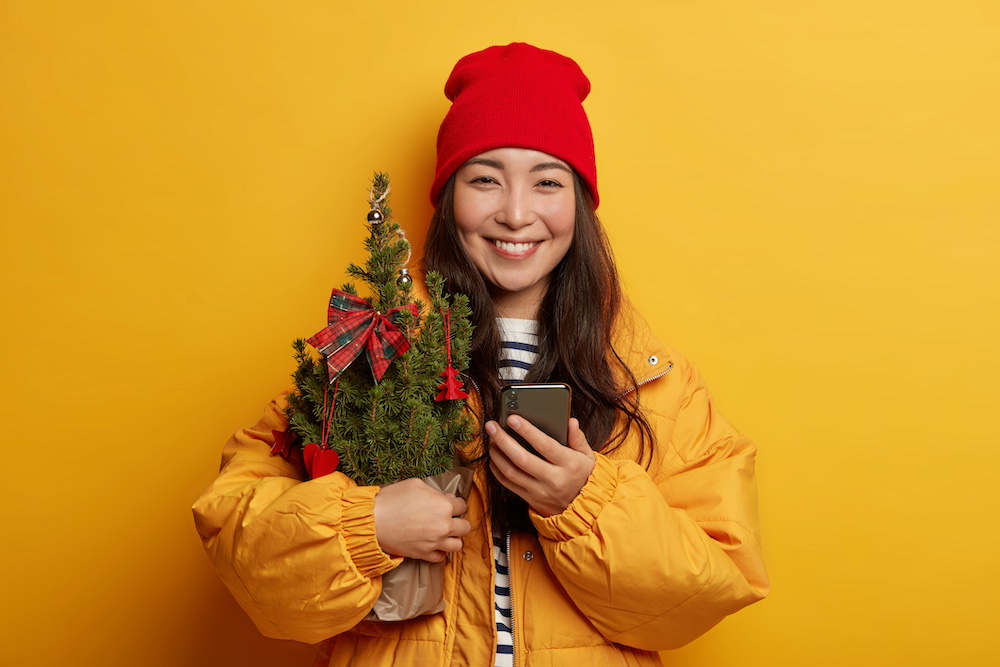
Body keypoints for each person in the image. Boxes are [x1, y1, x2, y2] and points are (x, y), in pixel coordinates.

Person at [193, 42, 769, 666]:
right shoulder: (367, 357)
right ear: (448, 197)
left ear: (579, 201)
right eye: (485, 179)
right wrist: (369, 525)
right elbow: (240, 545)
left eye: (547, 182)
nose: (516, 214)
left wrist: (585, 504)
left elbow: (707, 589)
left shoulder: (651, 383)